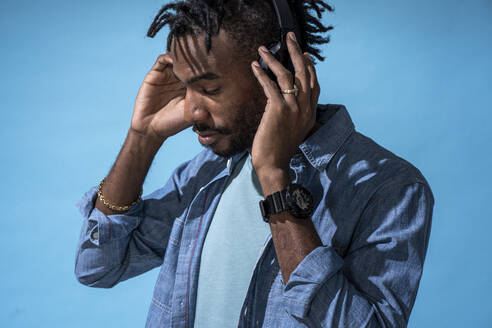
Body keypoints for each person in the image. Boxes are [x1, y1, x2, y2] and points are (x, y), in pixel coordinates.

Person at [74, 1, 434, 327]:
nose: (192, 112)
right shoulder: (206, 173)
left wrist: (275, 179)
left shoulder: (390, 189)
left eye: (211, 89)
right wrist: (143, 136)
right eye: (185, 88)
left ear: (281, 71)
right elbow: (99, 266)